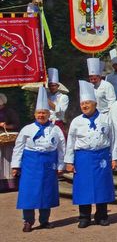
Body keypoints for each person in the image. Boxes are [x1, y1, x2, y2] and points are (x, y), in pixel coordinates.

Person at [12, 87, 65, 232]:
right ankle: (28, 221)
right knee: (29, 192)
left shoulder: (56, 129)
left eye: (44, 113)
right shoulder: (27, 129)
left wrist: (61, 166)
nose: (41, 115)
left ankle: (44, 220)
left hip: (49, 163)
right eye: (39, 113)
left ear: (49, 114)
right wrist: (16, 166)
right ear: (35, 114)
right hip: (31, 163)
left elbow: (62, 148)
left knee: (46, 192)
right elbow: (18, 148)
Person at [66, 81, 117, 228]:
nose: (84, 106)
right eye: (82, 103)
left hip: (101, 156)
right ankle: (84, 217)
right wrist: (69, 161)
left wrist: (114, 158)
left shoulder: (106, 119)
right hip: (83, 157)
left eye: (87, 103)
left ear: (94, 103)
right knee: (84, 187)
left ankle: (102, 216)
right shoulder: (76, 122)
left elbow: (113, 139)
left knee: (102, 186)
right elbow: (70, 141)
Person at [0, 93, 21, 191]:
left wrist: (5, 126)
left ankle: (10, 185)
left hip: (7, 141)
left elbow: (16, 124)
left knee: (8, 162)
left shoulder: (9, 111)